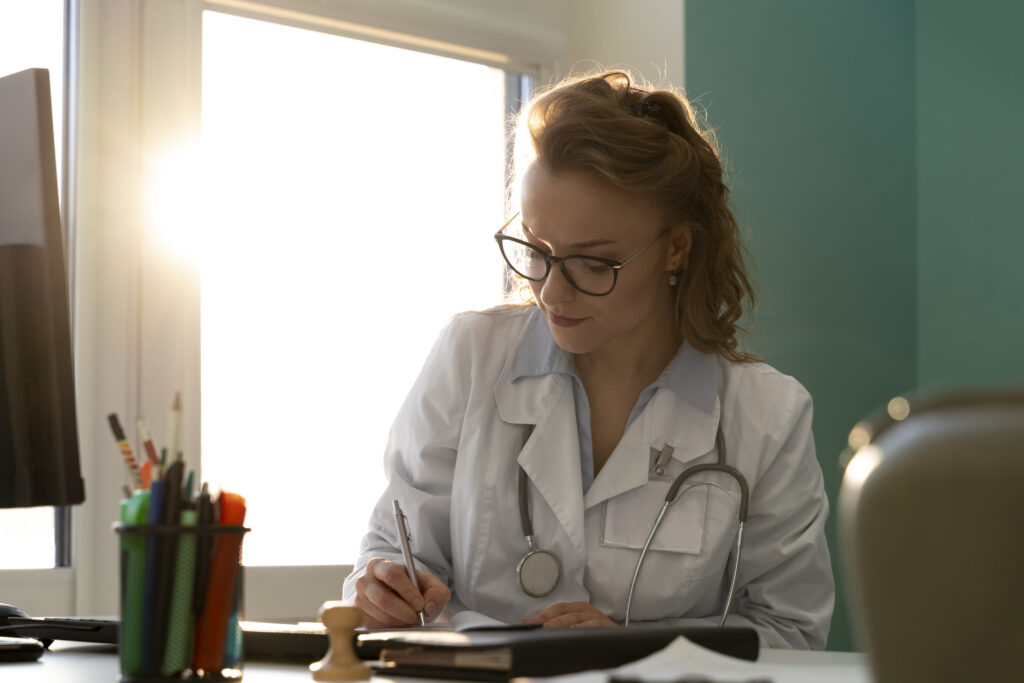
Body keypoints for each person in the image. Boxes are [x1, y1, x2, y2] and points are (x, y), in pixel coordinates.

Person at [341, 70, 834, 649]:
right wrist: (382, 587)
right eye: (536, 250)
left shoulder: (767, 416)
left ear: (676, 248)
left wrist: (639, 649)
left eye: (594, 263)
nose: (551, 291)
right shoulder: (470, 356)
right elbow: (395, 550)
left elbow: (791, 632)